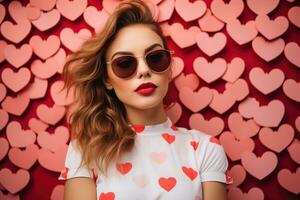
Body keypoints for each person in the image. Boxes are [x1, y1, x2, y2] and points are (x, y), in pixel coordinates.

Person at [58, 0, 232, 199]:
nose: (144, 71)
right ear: (107, 79)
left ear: (168, 68)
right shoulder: (85, 149)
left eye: (156, 58)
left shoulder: (205, 149)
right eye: (125, 63)